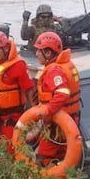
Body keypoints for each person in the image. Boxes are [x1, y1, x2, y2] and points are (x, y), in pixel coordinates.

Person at [33, 31, 81, 166]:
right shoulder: (66, 65)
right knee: (63, 158)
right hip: (70, 121)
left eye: (38, 51)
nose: (36, 54)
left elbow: (62, 93)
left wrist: (48, 111)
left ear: (48, 53)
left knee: (42, 159)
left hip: (56, 126)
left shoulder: (54, 71)